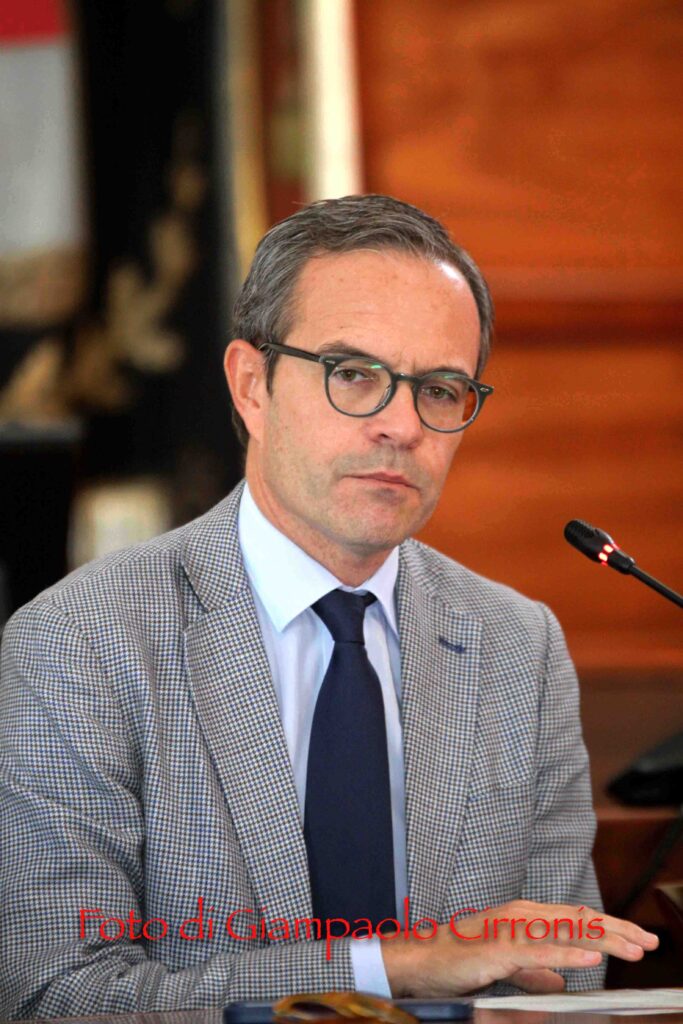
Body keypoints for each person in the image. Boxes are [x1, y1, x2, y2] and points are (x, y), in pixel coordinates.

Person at [0, 195, 657, 1019]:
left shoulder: (515, 643)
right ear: (251, 385)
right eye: (354, 375)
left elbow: (566, 976)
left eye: (440, 389)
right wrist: (394, 966)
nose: (401, 426)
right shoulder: (80, 641)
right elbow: (52, 995)